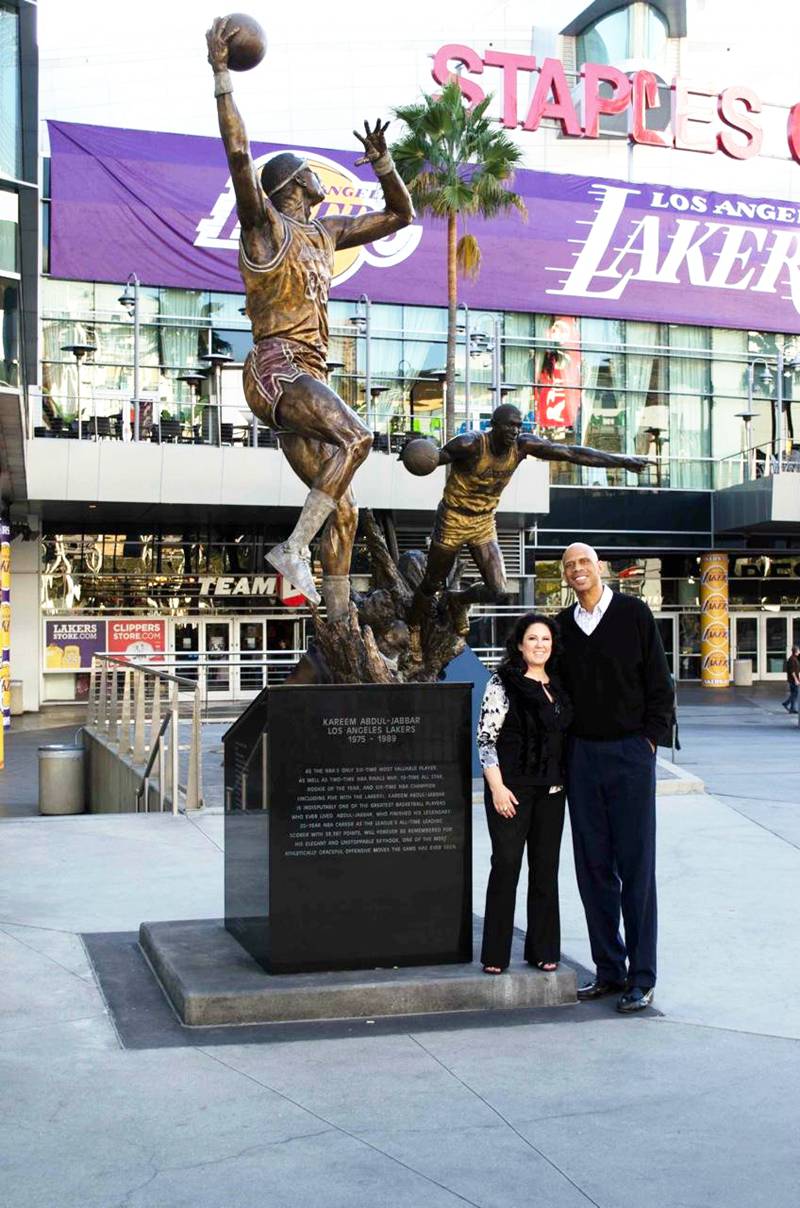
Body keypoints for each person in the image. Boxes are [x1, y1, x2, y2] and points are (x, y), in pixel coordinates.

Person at [206, 17, 414, 618]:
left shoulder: (327, 233)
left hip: (307, 377)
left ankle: (340, 620)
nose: (324, 178)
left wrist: (383, 164)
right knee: (360, 437)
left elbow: (400, 215)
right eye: (313, 173)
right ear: (295, 181)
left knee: (343, 506)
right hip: (276, 369)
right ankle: (295, 546)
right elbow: (239, 154)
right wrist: (223, 74)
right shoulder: (266, 226)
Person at [558, 542, 674, 1014]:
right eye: (569, 566)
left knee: (636, 869)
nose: (577, 570)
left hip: (629, 754)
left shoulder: (633, 614)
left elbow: (660, 684)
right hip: (582, 757)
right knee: (593, 870)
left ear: (599, 567)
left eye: (584, 562)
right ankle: (609, 970)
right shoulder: (562, 627)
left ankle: (641, 978)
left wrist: (648, 742)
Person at [406, 404, 649, 617]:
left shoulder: (522, 446)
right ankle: (415, 630)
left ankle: (456, 599)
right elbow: (435, 457)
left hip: (483, 521)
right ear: (493, 425)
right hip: (453, 517)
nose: (514, 431)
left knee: (498, 589)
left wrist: (622, 461)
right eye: (509, 426)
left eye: (518, 426)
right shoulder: (470, 444)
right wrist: (417, 454)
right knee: (431, 583)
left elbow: (570, 452)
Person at [476, 614, 572, 975]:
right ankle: (496, 955)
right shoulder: (503, 684)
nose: (539, 645)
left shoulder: (559, 685)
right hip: (511, 792)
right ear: (519, 644)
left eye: (545, 639)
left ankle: (543, 950)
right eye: (533, 639)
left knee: (545, 871)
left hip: (552, 792)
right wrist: (497, 787)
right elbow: (485, 740)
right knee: (506, 867)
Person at [782, 645, 800, 713]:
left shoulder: (795, 658)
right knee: (795, 693)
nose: (799, 651)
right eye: (798, 650)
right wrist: (796, 680)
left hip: (794, 679)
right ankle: (786, 703)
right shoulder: (792, 659)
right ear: (796, 651)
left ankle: (792, 709)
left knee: (794, 693)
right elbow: (792, 671)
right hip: (793, 680)